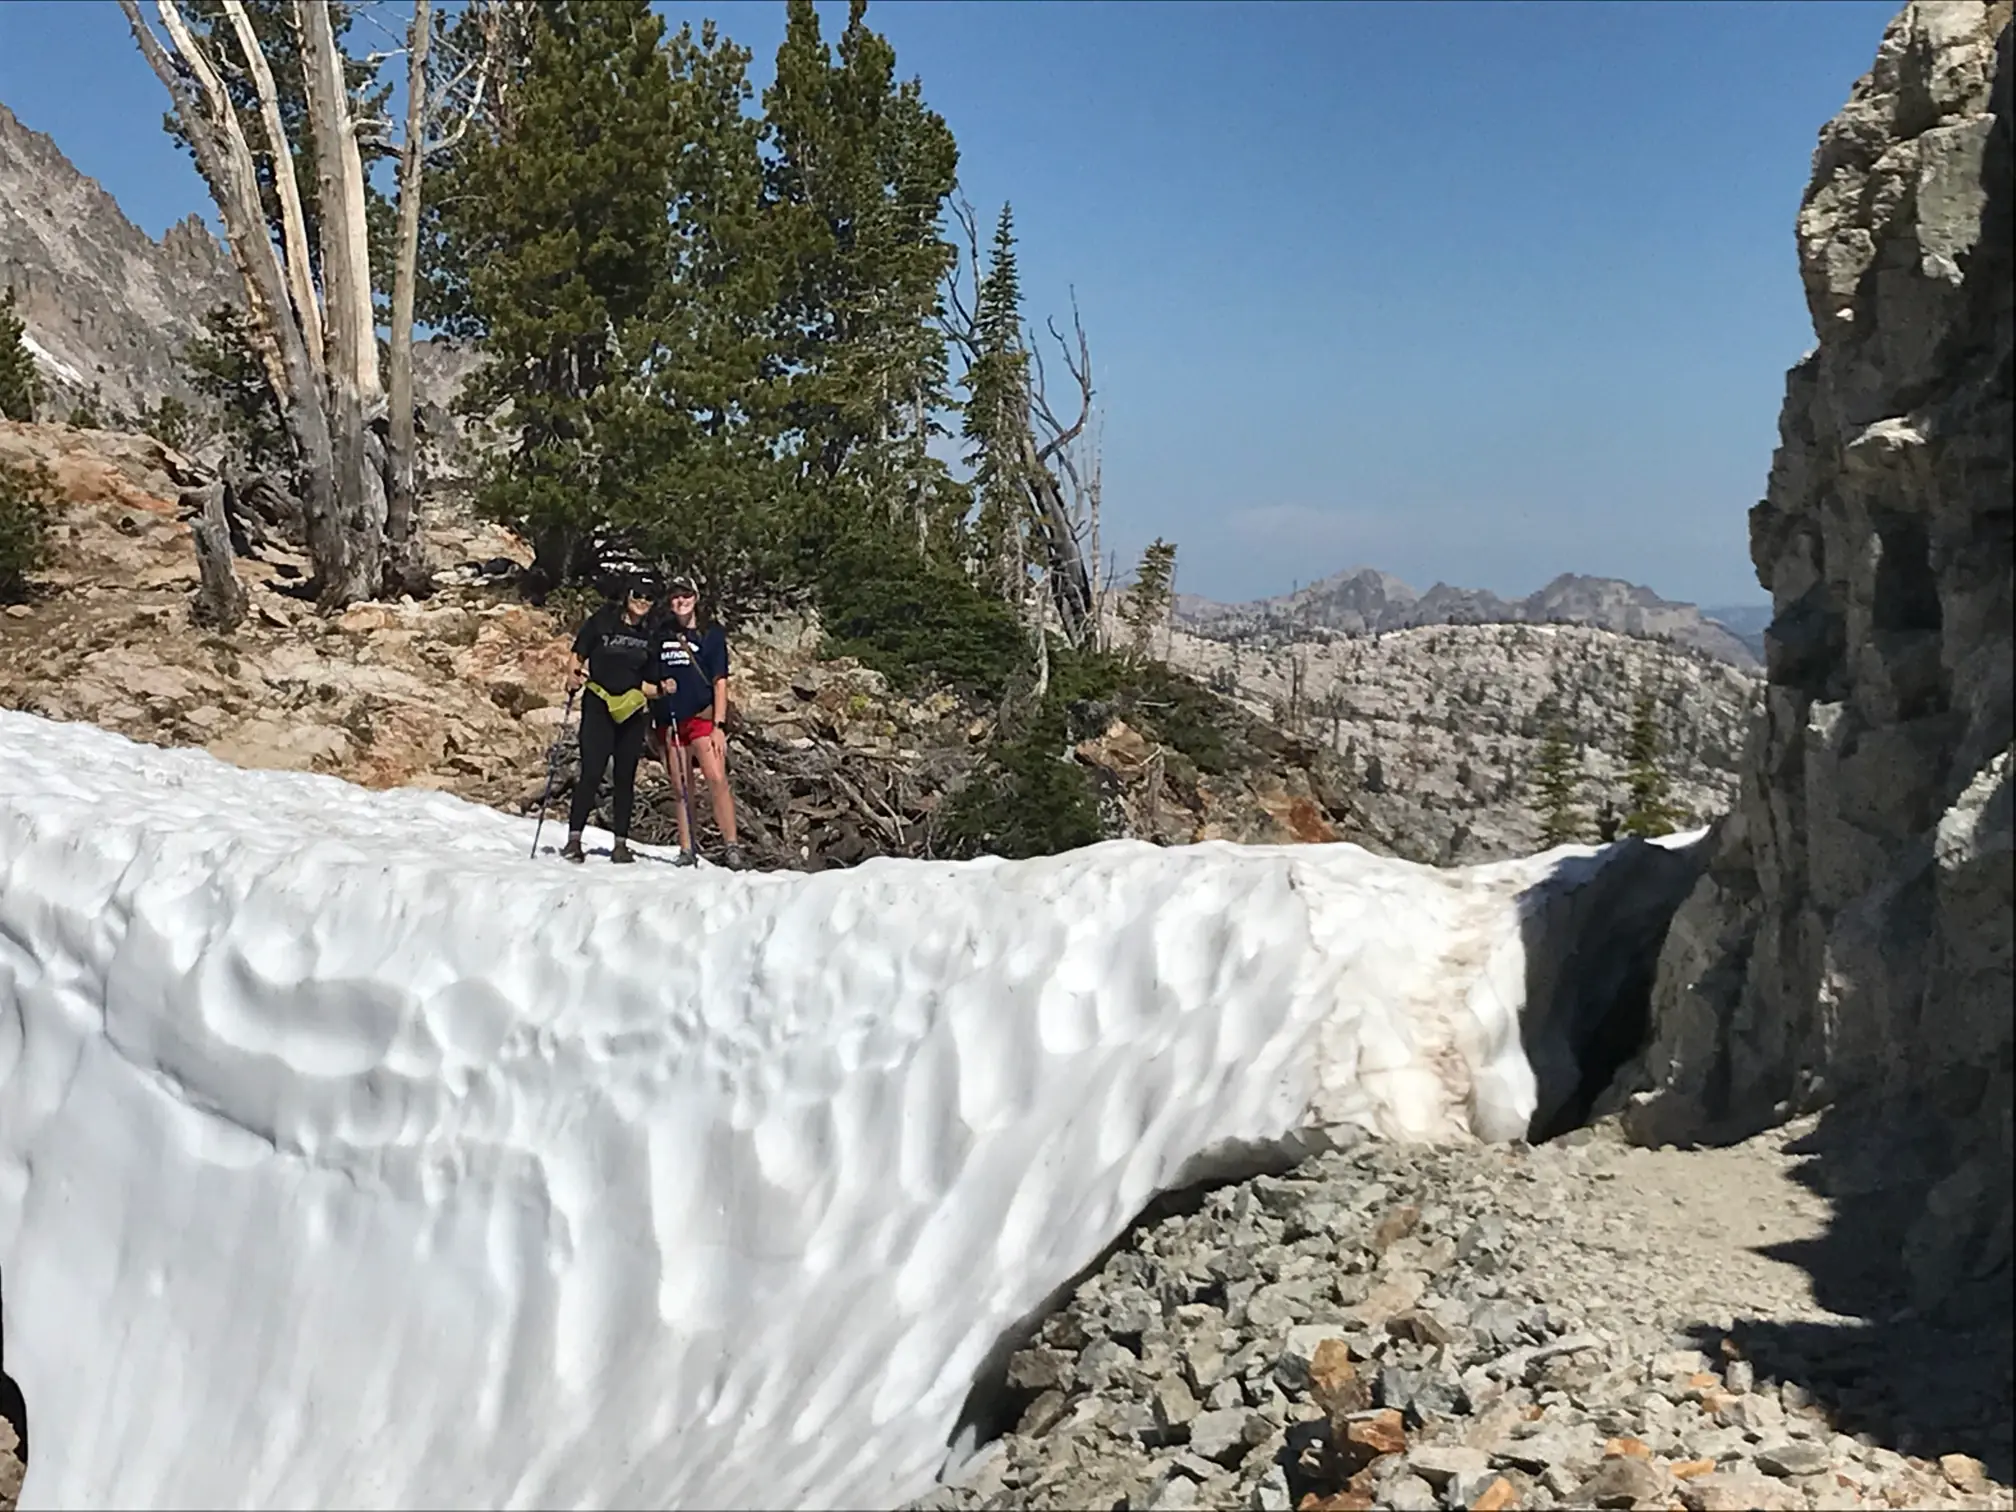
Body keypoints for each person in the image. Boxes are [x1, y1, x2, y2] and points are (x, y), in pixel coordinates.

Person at [561, 573, 665, 864]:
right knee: (592, 772)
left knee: (625, 777)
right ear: (626, 595)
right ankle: (574, 839)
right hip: (598, 703)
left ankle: (620, 843)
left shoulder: (651, 634)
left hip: (631, 710)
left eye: (649, 597)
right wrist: (572, 677)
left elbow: (649, 682)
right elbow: (578, 654)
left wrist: (662, 689)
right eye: (637, 594)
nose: (642, 601)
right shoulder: (602, 621)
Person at [647, 573, 744, 869]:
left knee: (716, 777)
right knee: (680, 785)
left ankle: (731, 845)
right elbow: (649, 677)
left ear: (696, 598)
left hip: (701, 717)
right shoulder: (660, 634)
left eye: (686, 595)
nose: (680, 601)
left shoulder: (711, 634)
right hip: (671, 719)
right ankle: (687, 846)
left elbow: (720, 682)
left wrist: (719, 725)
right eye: (676, 596)